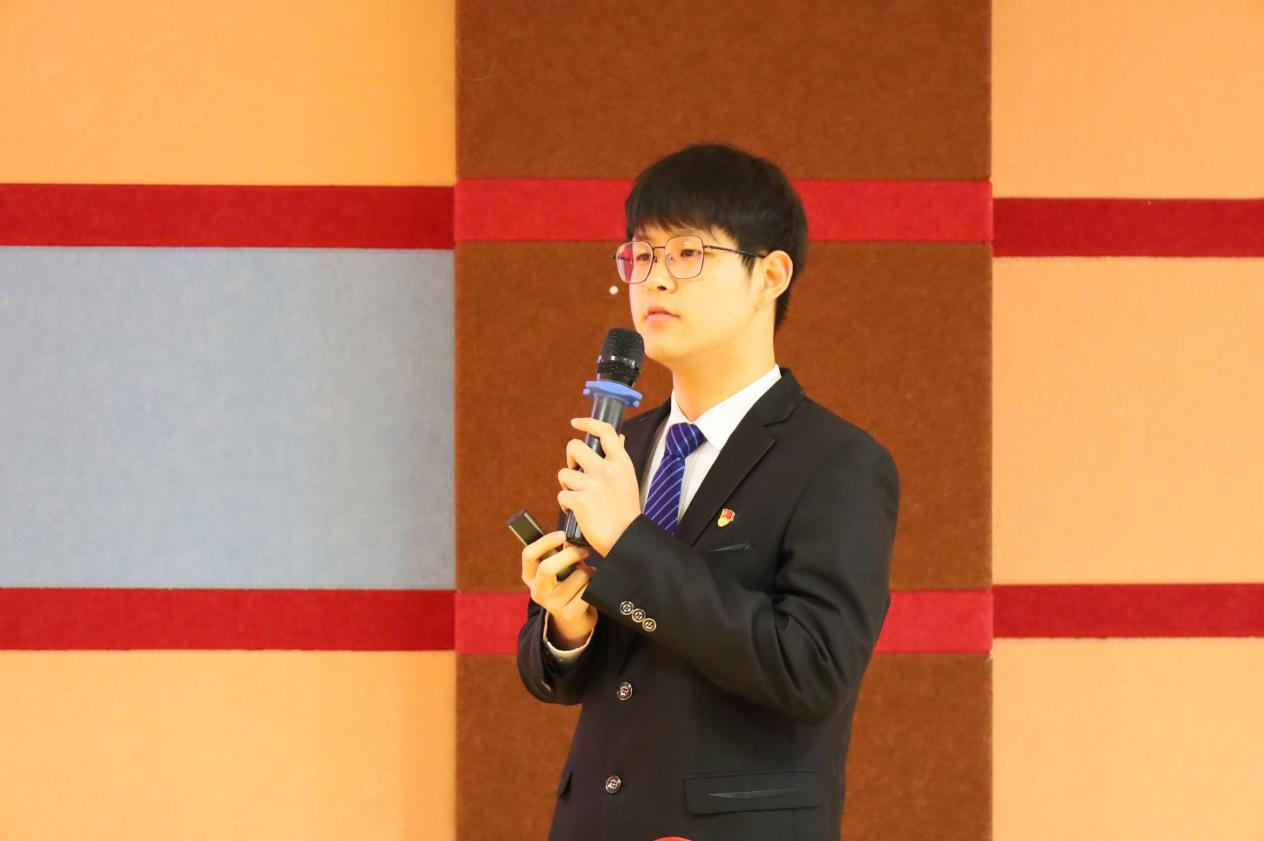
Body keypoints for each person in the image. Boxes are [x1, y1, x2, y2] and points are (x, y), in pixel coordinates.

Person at [517, 142, 900, 841]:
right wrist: (566, 626)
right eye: (641, 256)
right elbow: (562, 677)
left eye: (688, 253)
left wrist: (629, 544)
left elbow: (812, 671)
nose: (656, 280)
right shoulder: (622, 445)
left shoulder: (838, 463)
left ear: (770, 275)